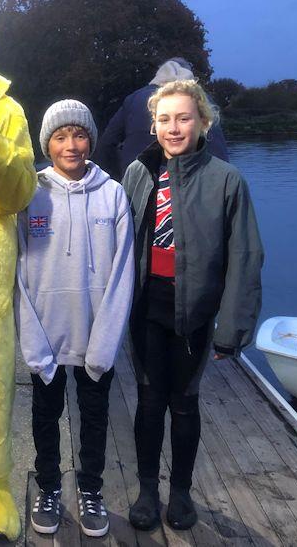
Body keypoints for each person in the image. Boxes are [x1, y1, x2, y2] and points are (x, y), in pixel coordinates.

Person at [122, 79, 263, 531]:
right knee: (147, 402)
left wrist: (233, 327)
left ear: (203, 121)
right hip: (146, 307)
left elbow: (244, 255)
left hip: (194, 313)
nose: (174, 128)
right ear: (154, 125)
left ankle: (180, 491)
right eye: (164, 120)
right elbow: (113, 241)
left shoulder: (226, 180)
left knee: (183, 404)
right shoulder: (139, 173)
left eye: (184, 118)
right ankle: (147, 488)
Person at [16, 100, 135, 538]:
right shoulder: (27, 192)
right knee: (45, 417)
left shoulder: (113, 194)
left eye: (79, 135)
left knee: (94, 415)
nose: (71, 145)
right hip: (46, 335)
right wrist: (32, 342)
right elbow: (15, 274)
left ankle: (91, 490)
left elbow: (123, 273)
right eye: (60, 136)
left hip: (93, 337)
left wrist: (106, 343)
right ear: (46, 143)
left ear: (92, 139)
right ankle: (48, 487)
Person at [97, 57, 229, 182]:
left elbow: (106, 144)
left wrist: (117, 179)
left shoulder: (133, 99)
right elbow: (219, 153)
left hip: (135, 186)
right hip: (194, 187)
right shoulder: (203, 101)